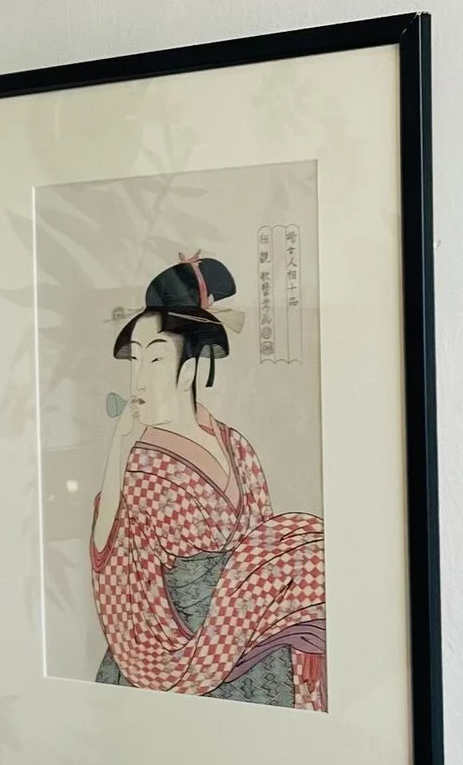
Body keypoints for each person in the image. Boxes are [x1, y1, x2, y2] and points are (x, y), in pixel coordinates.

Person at [90, 255, 325, 708]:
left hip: (256, 651)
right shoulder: (138, 464)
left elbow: (260, 551)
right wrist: (118, 449)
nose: (139, 378)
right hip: (169, 655)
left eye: (155, 359)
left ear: (193, 367)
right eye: (134, 359)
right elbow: (110, 556)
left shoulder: (237, 447)